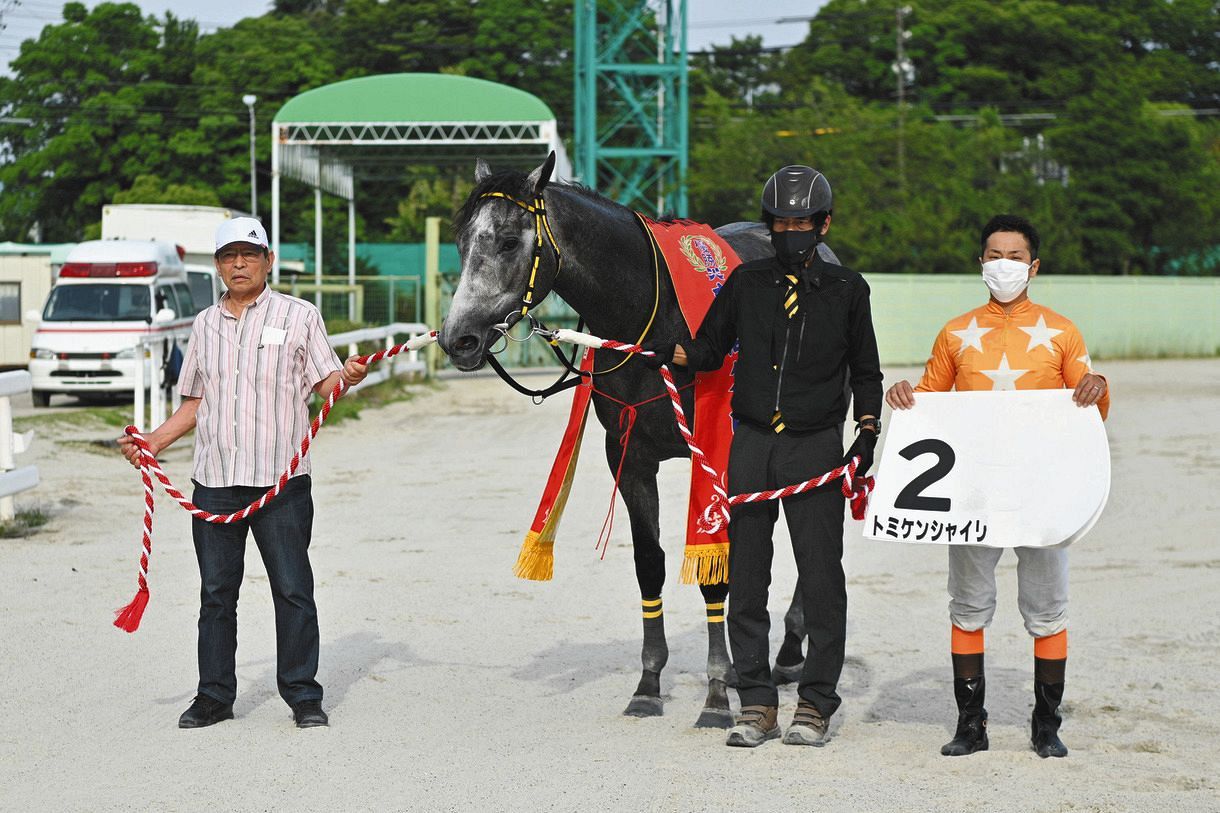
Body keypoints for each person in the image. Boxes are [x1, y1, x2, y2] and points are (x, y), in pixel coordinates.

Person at [648, 165, 883, 747]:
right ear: (769, 224)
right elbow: (705, 351)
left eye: (803, 222)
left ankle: (816, 704)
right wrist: (663, 347)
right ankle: (756, 703)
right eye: (781, 222)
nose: (791, 231)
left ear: (824, 224)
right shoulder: (744, 283)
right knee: (747, 581)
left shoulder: (850, 289)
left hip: (816, 447)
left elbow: (866, 370)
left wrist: (868, 432)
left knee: (822, 578)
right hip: (751, 445)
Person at [117, 217, 368, 729]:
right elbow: (193, 405)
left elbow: (327, 385)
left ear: (267, 261)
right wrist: (153, 442)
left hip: (281, 483)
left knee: (293, 589)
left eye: (249, 255)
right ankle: (214, 696)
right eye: (229, 256)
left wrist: (350, 376)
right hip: (215, 482)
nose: (238, 264)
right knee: (216, 593)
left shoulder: (300, 316)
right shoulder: (203, 325)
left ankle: (302, 695)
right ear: (216, 265)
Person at [885, 214, 1110, 759]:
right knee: (968, 604)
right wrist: (904, 396)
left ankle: (1046, 723)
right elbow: (930, 402)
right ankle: (970, 724)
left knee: (1047, 606)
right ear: (980, 263)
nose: (1003, 264)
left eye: (1014, 256)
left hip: (1043, 491)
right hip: (973, 491)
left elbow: (1089, 407)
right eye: (994, 255)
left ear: (1033, 266)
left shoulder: (1062, 331)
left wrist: (1097, 389)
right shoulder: (954, 332)